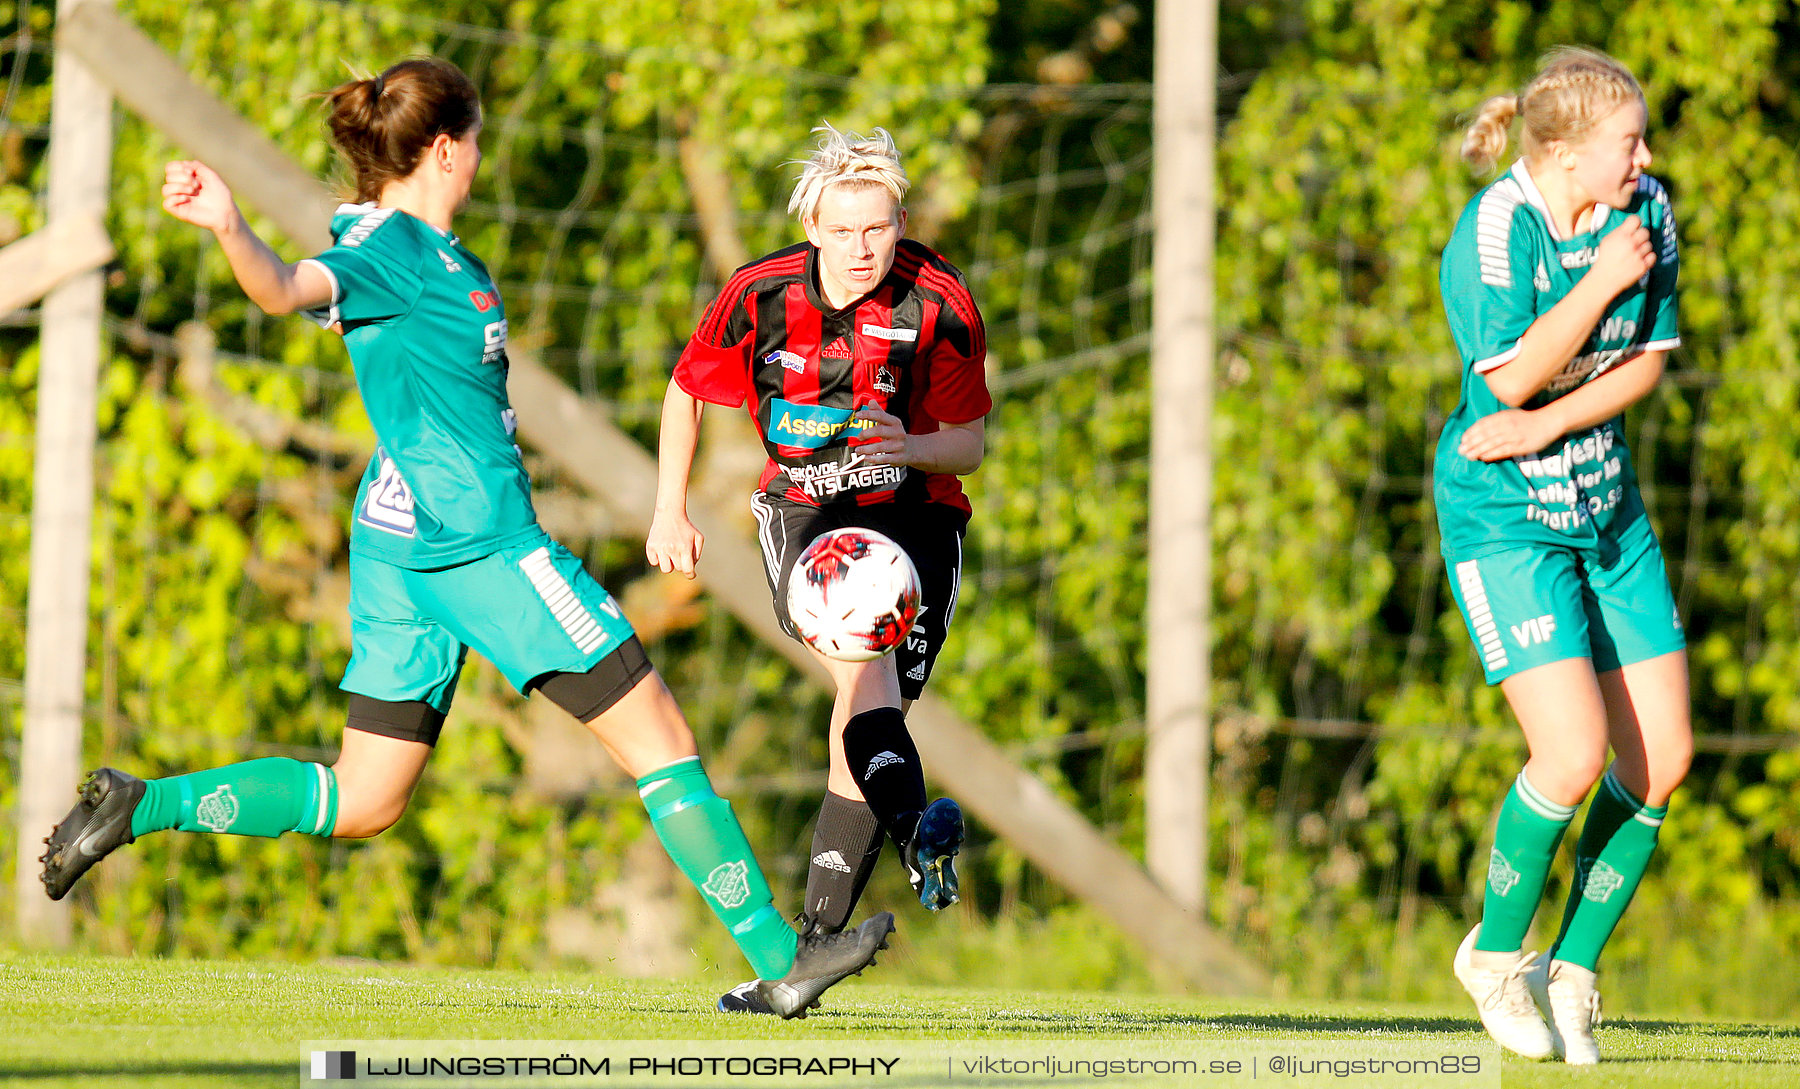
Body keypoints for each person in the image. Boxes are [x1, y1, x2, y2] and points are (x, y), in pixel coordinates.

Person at [37, 57, 892, 1020]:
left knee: (364, 798)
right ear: (447, 149)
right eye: (478, 138)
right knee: (659, 735)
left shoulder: (410, 245)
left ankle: (141, 804)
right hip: (481, 544)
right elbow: (284, 288)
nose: (484, 155)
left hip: (399, 542)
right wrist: (229, 226)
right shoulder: (390, 253)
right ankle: (783, 961)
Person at [647, 124, 990, 1014]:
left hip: (917, 516)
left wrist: (910, 443)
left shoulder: (940, 301)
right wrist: (667, 508)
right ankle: (916, 832)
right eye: (841, 231)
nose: (859, 249)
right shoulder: (758, 295)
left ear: (899, 220)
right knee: (863, 671)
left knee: (865, 709)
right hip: (807, 516)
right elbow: (686, 390)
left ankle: (805, 957)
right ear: (812, 226)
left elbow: (973, 442)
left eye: (876, 229)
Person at [1437, 47, 1691, 1064]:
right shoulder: (1495, 229)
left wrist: (1550, 430)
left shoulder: (1647, 207)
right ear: (1567, 154)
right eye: (1627, 143)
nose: (1644, 157)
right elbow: (1506, 386)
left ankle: (1573, 972)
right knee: (1573, 753)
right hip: (1504, 519)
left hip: (1604, 505)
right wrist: (1599, 285)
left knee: (1663, 757)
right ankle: (1497, 958)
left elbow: (1645, 367)